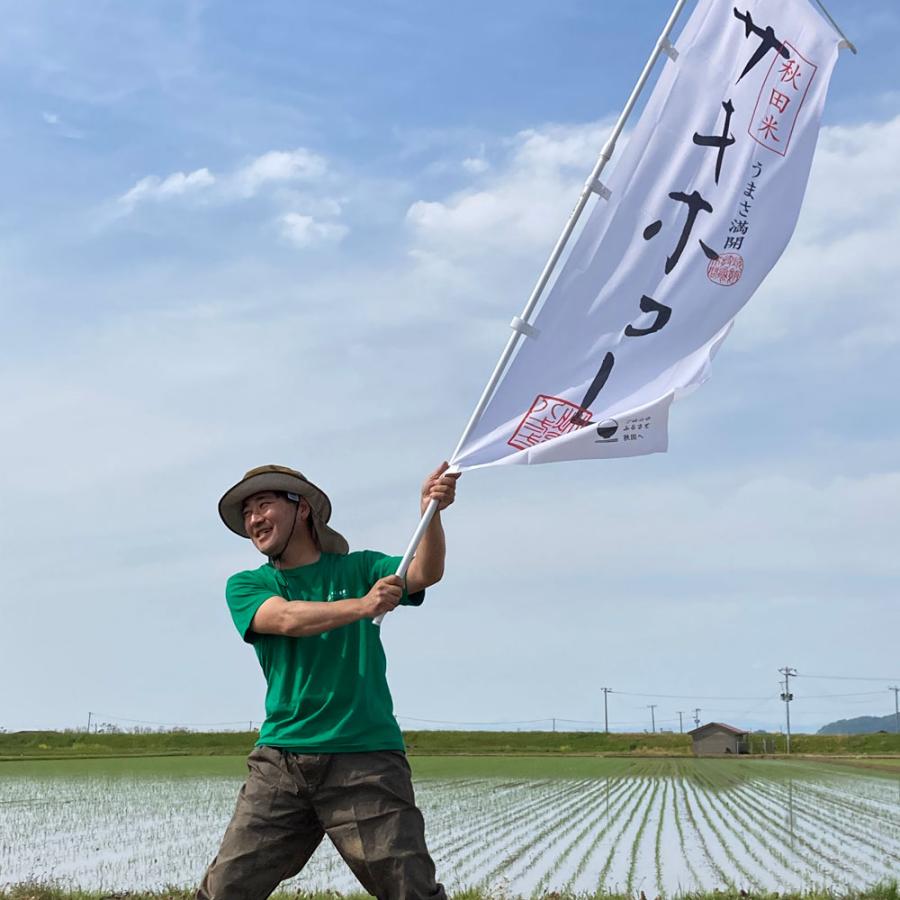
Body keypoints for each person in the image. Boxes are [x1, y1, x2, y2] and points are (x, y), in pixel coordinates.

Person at [197, 462, 459, 900]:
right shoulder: (248, 585)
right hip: (282, 761)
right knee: (226, 889)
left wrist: (431, 515)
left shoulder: (358, 569)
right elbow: (283, 618)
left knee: (410, 889)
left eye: (264, 504)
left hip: (366, 758)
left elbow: (423, 573)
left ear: (301, 509)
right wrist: (362, 606)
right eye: (247, 512)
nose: (254, 519)